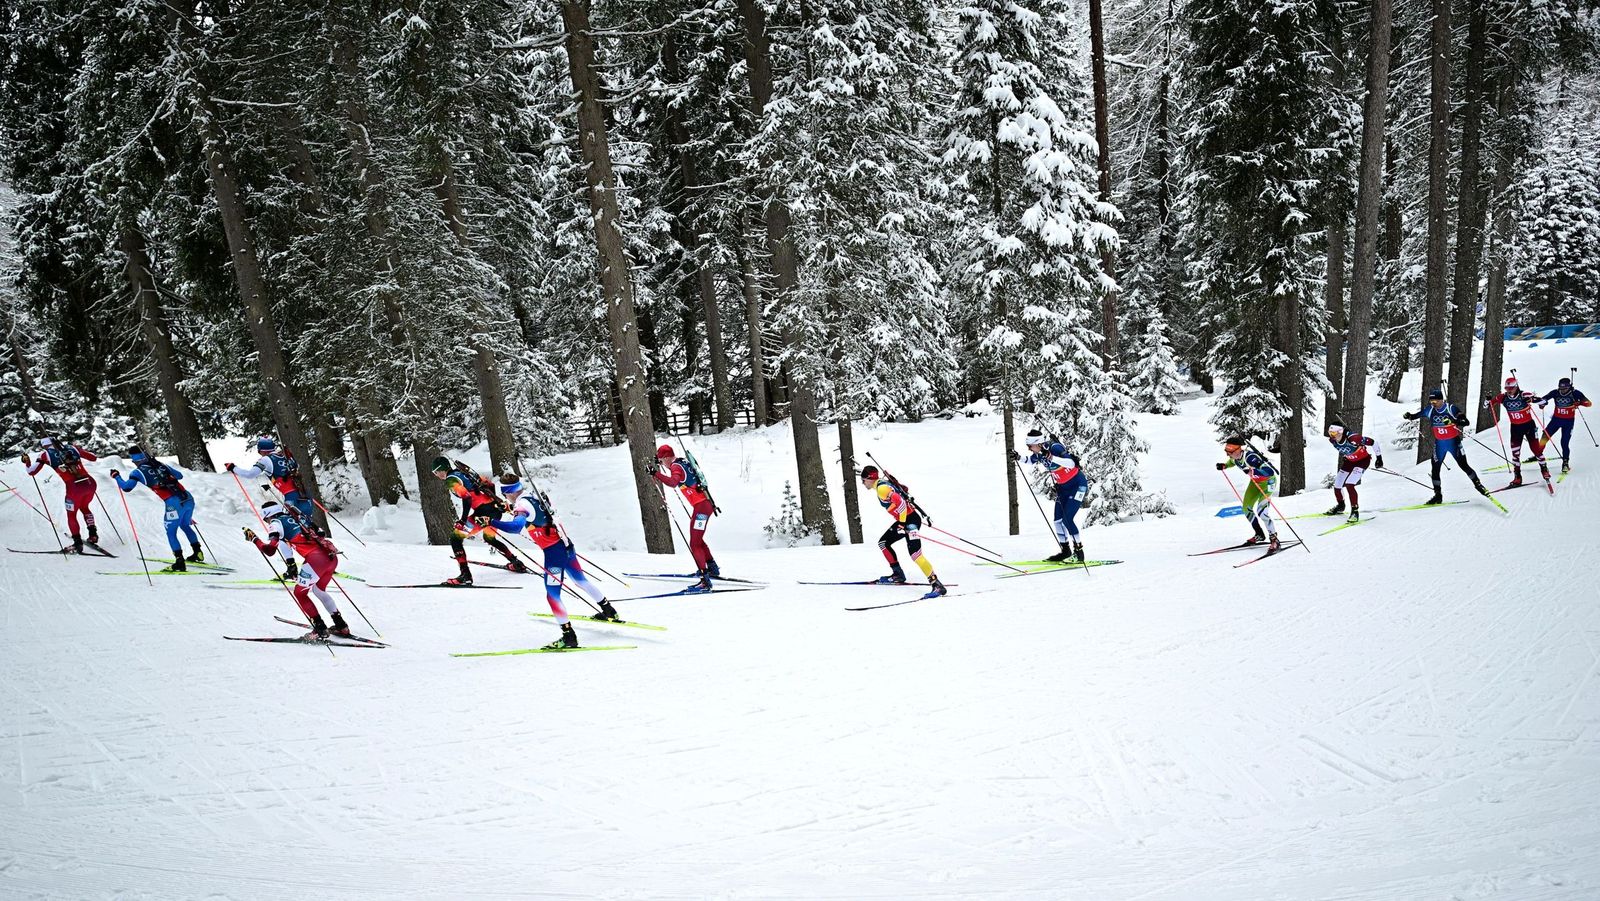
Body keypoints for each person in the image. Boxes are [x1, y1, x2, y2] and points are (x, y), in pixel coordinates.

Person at [490, 474, 620, 649]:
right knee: (580, 580)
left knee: (553, 595)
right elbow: (535, 514)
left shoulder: (521, 505)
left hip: (554, 555)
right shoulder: (532, 496)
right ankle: (609, 610)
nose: (506, 497)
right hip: (566, 546)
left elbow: (515, 527)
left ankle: (569, 637)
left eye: (505, 494)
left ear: (509, 492)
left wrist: (490, 521)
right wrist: (508, 508)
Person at [244, 500, 349, 640]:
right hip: (331, 556)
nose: (267, 523)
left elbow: (270, 550)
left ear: (268, 516)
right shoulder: (294, 517)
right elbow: (320, 533)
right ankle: (341, 626)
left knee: (300, 593)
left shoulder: (275, 523)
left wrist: (254, 539)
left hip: (315, 560)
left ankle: (320, 629)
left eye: (266, 519)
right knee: (319, 590)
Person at [428, 456, 524, 585]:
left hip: (483, 514)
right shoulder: (464, 473)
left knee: (455, 538)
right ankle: (516, 563)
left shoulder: (451, 480)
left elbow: (466, 497)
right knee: (490, 538)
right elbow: (490, 484)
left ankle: (465, 575)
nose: (436, 475)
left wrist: (462, 520)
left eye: (435, 472)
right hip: (495, 510)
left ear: (441, 470)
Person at [110, 445, 202, 571]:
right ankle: (197, 552)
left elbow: (126, 487)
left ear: (135, 460)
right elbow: (179, 476)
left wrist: (117, 476)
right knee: (185, 525)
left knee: (171, 532)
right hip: (188, 498)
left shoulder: (137, 472)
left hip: (173, 504)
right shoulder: (160, 464)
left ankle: (179, 562)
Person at [860, 465, 947, 596]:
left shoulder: (881, 489)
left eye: (863, 480)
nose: (863, 483)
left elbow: (900, 503)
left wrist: (901, 523)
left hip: (910, 521)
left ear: (869, 478)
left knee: (916, 555)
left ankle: (937, 585)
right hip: (908, 519)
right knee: (883, 543)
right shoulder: (883, 484)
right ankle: (898, 574)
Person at [649, 444, 720, 590]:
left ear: (667, 458)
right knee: (698, 540)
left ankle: (705, 580)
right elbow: (678, 475)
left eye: (662, 461)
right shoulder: (681, 462)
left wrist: (655, 473)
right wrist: (660, 467)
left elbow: (673, 482)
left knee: (694, 544)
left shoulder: (675, 467)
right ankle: (712, 569)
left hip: (702, 508)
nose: (662, 464)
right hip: (704, 506)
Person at [1403, 388, 1488, 504]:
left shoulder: (1451, 408)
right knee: (1435, 469)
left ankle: (1479, 485)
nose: (1433, 404)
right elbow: (1415, 416)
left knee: (1464, 466)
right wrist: (1409, 415)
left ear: (1441, 400)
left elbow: (1465, 422)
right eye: (1431, 402)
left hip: (1454, 443)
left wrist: (1453, 421)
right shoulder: (1429, 410)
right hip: (1439, 444)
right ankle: (1438, 495)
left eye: (1435, 401)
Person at [1017, 428, 1089, 562]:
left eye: (1030, 446)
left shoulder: (1054, 447)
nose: (1029, 449)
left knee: (1067, 519)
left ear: (1038, 444)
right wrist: (1018, 457)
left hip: (1078, 486)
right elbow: (1030, 460)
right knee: (1057, 521)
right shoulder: (1038, 453)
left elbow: (1072, 463)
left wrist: (1051, 457)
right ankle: (1065, 551)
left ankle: (1079, 552)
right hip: (1063, 489)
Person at [22, 437, 100, 553]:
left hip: (74, 488)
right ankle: (93, 535)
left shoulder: (45, 454)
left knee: (71, 515)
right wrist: (79, 450)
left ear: (44, 446)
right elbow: (93, 458)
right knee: (85, 507)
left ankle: (77, 543)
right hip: (90, 483)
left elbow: (31, 472)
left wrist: (27, 461)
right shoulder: (72, 448)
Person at [225, 437, 315, 521]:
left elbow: (250, 474)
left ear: (261, 451)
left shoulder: (266, 460)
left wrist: (233, 468)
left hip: (291, 498)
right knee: (307, 527)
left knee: (292, 528)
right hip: (305, 496)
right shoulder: (285, 456)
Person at [1484, 376, 1550, 487]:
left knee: (1536, 450)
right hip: (1515, 428)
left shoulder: (1524, 395)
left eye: (1511, 388)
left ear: (1516, 387)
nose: (1509, 391)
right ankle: (1517, 477)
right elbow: (1487, 406)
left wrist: (1532, 400)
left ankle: (1544, 469)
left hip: (1529, 426)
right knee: (1515, 454)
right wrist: (1487, 400)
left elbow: (1544, 401)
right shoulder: (1503, 397)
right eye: (1507, 388)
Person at [1217, 436, 1280, 549]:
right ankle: (1259, 535)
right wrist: (1224, 466)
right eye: (1227, 452)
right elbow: (1232, 462)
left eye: (1229, 452)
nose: (1228, 454)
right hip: (1256, 483)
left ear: (1237, 450)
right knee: (1246, 508)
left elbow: (1269, 471)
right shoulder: (1235, 457)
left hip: (1268, 483)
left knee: (1262, 512)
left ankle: (1274, 539)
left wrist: (1253, 470)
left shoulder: (1250, 457)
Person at [1324, 420, 1382, 522]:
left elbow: (1373, 442)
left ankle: (1355, 512)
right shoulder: (1332, 440)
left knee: (1349, 484)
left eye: (1333, 433)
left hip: (1362, 461)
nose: (1331, 436)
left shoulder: (1354, 438)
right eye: (1330, 433)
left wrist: (1379, 458)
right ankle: (1341, 506)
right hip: (1350, 461)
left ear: (1340, 432)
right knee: (1337, 485)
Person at [1536, 377, 1593, 473]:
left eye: (1564, 389)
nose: (1562, 391)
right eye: (1560, 388)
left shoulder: (1575, 393)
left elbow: (1589, 403)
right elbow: (1543, 399)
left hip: (1568, 422)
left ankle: (1565, 463)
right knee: (1545, 435)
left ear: (1569, 387)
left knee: (1564, 442)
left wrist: (1579, 403)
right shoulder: (1555, 392)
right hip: (1556, 420)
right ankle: (1538, 453)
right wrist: (1543, 403)